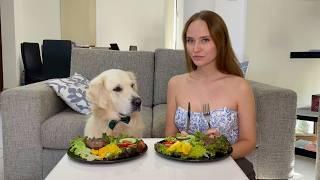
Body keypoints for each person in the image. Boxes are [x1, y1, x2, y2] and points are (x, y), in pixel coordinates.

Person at [165, 10, 256, 179]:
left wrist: (217, 150)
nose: (195, 48)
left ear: (220, 42)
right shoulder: (175, 83)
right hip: (185, 165)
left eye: (205, 40)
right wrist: (183, 144)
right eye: (190, 41)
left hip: (229, 164)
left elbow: (249, 142)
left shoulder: (240, 87)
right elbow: (169, 135)